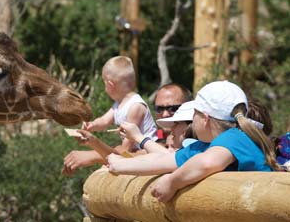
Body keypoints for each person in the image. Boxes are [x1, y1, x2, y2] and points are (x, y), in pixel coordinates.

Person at [106, 80, 282, 203]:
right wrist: (119, 164)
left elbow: (207, 163)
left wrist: (172, 182)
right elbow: (161, 160)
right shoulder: (203, 147)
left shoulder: (236, 137)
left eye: (194, 115)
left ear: (204, 118)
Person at [62, 56, 157, 175]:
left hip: (144, 151)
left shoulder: (135, 107)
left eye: (104, 83)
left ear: (110, 85)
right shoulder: (119, 103)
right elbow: (104, 121)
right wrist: (91, 125)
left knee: (117, 154)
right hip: (133, 149)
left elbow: (126, 147)